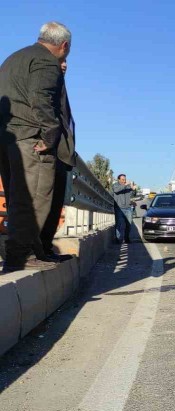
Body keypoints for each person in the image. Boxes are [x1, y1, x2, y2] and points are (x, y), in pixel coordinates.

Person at [0, 22, 72, 272]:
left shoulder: (14, 58)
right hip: (31, 138)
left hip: (9, 139)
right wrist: (50, 136)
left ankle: (33, 252)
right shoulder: (46, 61)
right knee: (33, 199)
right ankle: (23, 255)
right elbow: (41, 99)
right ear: (64, 46)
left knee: (18, 197)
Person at [40, 58, 76, 261]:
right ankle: (39, 251)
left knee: (55, 204)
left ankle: (45, 249)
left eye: (65, 62)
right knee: (45, 201)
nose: (64, 65)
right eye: (60, 61)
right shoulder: (46, 82)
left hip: (62, 153)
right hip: (52, 151)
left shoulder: (60, 84)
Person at [112, 174, 135, 244]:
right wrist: (125, 185)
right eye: (122, 179)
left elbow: (132, 194)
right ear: (118, 180)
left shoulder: (127, 186)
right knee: (119, 224)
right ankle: (117, 239)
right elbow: (116, 190)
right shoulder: (115, 185)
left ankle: (126, 238)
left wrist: (133, 189)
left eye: (125, 179)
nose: (124, 181)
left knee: (129, 224)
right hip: (119, 208)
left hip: (128, 208)